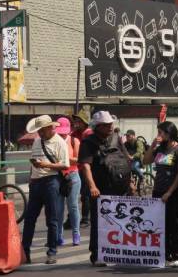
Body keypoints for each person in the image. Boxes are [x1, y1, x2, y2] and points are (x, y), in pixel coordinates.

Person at [79, 110, 130, 267]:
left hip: (120, 186)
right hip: (100, 189)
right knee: (99, 222)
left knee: (121, 221)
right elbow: (86, 166)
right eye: (106, 125)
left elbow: (127, 159)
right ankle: (97, 254)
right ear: (98, 126)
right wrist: (92, 186)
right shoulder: (88, 142)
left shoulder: (116, 138)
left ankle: (119, 252)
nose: (110, 127)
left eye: (111, 124)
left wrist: (131, 183)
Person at [21, 115, 69, 265]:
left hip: (51, 181)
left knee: (52, 219)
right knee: (29, 219)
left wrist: (45, 165)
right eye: (38, 131)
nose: (39, 133)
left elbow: (65, 165)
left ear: (50, 128)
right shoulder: (37, 141)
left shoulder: (60, 143)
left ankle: (52, 252)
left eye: (42, 130)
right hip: (35, 182)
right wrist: (31, 178)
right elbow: (33, 162)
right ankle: (25, 252)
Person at [143, 121, 178, 267]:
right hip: (158, 190)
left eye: (161, 133)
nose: (159, 135)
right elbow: (145, 160)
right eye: (158, 132)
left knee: (175, 223)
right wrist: (152, 146)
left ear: (169, 134)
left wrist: (169, 192)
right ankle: (165, 252)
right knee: (161, 223)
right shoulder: (160, 149)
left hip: (172, 192)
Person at [54, 117, 82, 246]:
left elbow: (79, 160)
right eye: (59, 131)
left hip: (73, 175)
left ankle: (76, 234)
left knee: (73, 206)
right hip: (58, 176)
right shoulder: (53, 141)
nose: (62, 134)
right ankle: (59, 235)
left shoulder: (73, 141)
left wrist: (65, 159)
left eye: (64, 131)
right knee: (58, 208)